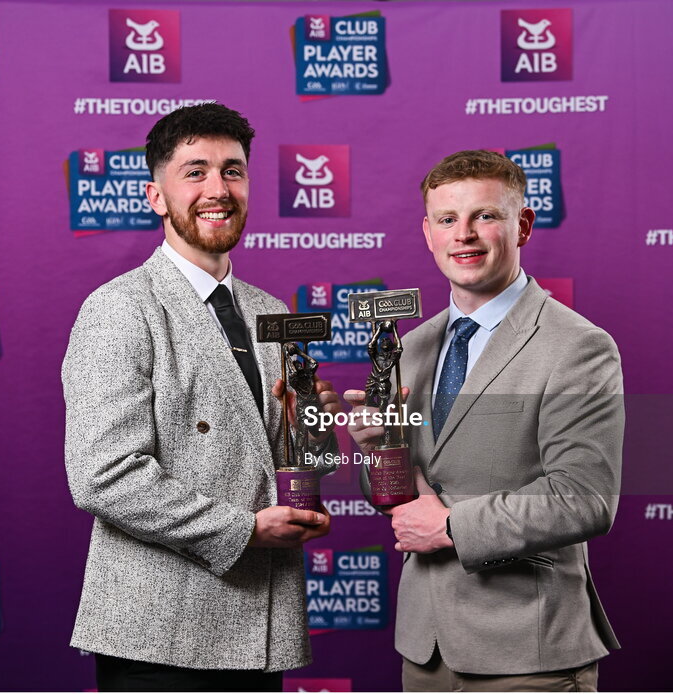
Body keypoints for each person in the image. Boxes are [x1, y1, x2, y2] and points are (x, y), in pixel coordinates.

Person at [62, 103, 339, 692]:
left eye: (233, 170)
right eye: (195, 171)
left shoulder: (272, 311)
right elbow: (103, 475)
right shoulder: (119, 309)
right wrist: (244, 530)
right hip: (160, 633)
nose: (218, 189)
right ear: (155, 196)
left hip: (259, 624)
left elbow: (279, 459)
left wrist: (318, 431)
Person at [346, 150, 624, 692]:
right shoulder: (410, 348)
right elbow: (402, 499)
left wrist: (450, 526)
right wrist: (380, 453)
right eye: (448, 220)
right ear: (428, 233)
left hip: (528, 649)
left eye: (485, 217)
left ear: (522, 225)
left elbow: (584, 497)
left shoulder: (577, 347)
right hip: (426, 649)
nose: (464, 235)